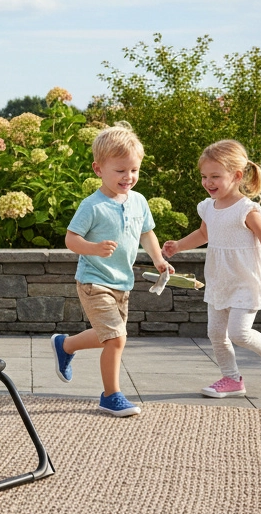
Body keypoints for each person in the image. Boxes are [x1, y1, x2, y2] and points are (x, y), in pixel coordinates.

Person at [50, 124, 173, 417]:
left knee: (106, 335)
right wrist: (94, 248)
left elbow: (147, 233)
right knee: (116, 339)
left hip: (122, 283)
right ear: (98, 169)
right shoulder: (92, 206)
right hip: (94, 281)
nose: (128, 176)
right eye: (120, 170)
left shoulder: (139, 201)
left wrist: (158, 259)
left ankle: (65, 345)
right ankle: (110, 395)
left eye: (134, 170)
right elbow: (71, 239)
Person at [161, 139, 261, 397]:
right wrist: (179, 246)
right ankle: (231, 379)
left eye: (215, 176)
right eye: (204, 176)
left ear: (237, 176)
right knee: (216, 334)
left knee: (239, 333)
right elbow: (203, 234)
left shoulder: (246, 210)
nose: (208, 182)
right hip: (220, 280)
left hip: (246, 281)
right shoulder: (208, 207)